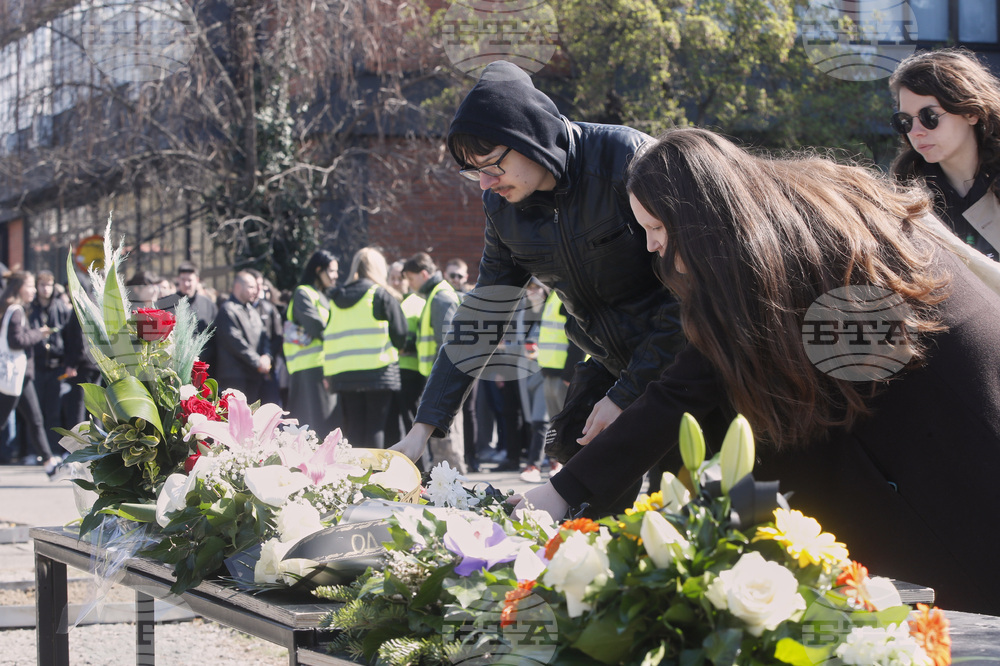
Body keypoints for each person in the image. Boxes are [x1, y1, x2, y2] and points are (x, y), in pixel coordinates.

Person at [519, 127, 1000, 615]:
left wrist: (564, 491)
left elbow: (685, 387)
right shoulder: (792, 203)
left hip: (939, 422)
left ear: (698, 215)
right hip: (953, 388)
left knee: (952, 586)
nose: (651, 246)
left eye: (659, 229)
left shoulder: (761, 254)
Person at [391, 61, 688, 513]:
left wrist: (627, 395)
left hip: (683, 366)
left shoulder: (625, 160)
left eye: (492, 166)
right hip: (609, 370)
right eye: (473, 173)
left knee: (683, 510)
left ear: (530, 136)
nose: (487, 185)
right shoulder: (502, 207)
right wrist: (421, 432)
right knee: (591, 517)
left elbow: (687, 297)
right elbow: (482, 316)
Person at [889, 48, 1000, 258]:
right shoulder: (903, 201)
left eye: (929, 116)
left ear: (971, 112)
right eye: (905, 120)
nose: (915, 132)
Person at [324, 247, 407, 448]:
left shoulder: (336, 298)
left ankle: (355, 476)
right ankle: (373, 476)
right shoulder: (380, 294)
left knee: (353, 429)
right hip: (378, 373)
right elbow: (401, 332)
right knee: (375, 428)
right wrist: (399, 347)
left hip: (344, 375)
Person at [401, 252, 465, 473]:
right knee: (442, 438)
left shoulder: (440, 297)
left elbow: (448, 345)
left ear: (424, 273)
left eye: (411, 278)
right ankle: (447, 482)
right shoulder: (437, 295)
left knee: (447, 438)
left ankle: (454, 481)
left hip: (443, 379)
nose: (409, 284)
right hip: (438, 378)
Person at [0, 271, 61, 474]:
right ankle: (49, 461)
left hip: (20, 376)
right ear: (19, 288)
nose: (34, 290)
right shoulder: (16, 310)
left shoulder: (13, 309)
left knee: (35, 418)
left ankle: (48, 461)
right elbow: (16, 341)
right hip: (14, 374)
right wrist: (39, 334)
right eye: (30, 286)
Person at [284, 250, 338, 433]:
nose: (335, 276)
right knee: (314, 426)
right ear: (317, 270)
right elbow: (316, 327)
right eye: (331, 271)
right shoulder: (303, 293)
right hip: (308, 368)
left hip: (323, 365)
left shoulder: (325, 295)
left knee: (325, 424)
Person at [28, 270, 73, 456]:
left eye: (49, 285)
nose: (45, 289)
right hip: (36, 365)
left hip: (57, 366)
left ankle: (54, 450)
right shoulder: (30, 308)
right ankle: (34, 451)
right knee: (34, 413)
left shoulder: (60, 307)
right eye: (42, 285)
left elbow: (68, 335)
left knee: (54, 411)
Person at [213, 271, 271, 403]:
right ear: (238, 287)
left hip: (254, 375)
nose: (255, 291)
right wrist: (258, 361)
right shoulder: (227, 310)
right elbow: (236, 342)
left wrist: (267, 356)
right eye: (251, 287)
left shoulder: (252, 310)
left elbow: (264, 335)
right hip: (235, 376)